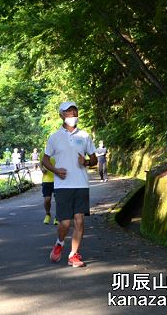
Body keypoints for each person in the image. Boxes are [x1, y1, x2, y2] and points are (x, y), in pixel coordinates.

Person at [41, 101, 96, 268]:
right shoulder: (54, 137)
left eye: (75, 111)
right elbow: (45, 160)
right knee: (64, 223)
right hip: (63, 186)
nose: (73, 114)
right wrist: (56, 171)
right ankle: (59, 242)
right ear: (61, 115)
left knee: (79, 221)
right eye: (69, 112)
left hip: (81, 184)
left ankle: (73, 255)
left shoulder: (84, 135)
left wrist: (86, 162)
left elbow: (94, 159)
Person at [40, 150, 58, 226]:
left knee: (58, 199)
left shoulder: (59, 151)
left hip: (58, 180)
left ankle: (57, 216)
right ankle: (48, 214)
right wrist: (42, 169)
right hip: (46, 180)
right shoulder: (44, 152)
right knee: (47, 199)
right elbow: (40, 163)